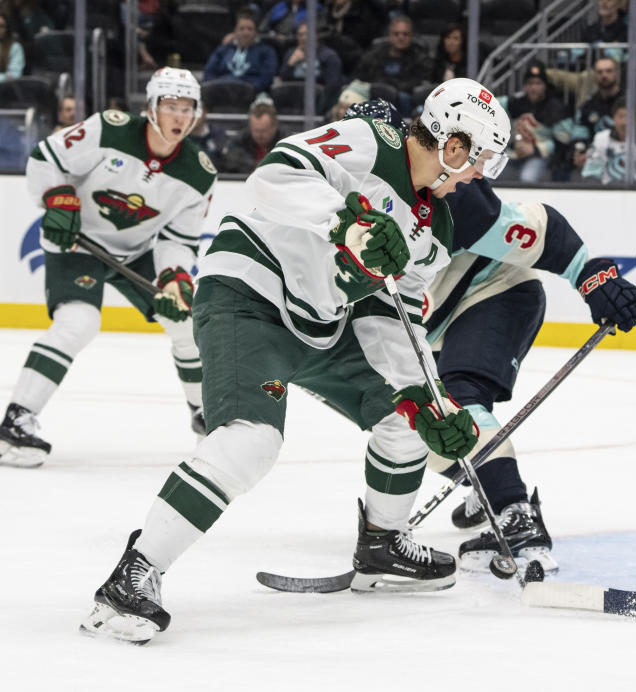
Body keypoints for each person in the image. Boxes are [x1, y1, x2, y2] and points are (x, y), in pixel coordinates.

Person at [80, 78, 512, 644]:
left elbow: (392, 313)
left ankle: (382, 545)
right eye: (480, 160)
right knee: (251, 441)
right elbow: (275, 178)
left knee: (406, 422)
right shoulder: (369, 139)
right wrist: (349, 221)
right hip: (249, 292)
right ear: (454, 145)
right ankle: (132, 577)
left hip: (323, 321)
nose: (480, 174)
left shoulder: (438, 227)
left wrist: (425, 398)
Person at [341, 98, 636, 572]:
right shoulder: (334, 203)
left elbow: (541, 230)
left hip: (495, 292)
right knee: (418, 425)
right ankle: (486, 489)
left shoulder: (460, 200)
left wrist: (595, 278)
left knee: (460, 401)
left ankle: (514, 512)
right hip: (431, 325)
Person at [0, 68, 216, 467]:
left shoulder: (198, 172)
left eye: (188, 108)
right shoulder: (108, 129)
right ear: (150, 107)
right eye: (171, 106)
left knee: (188, 318)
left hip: (135, 249)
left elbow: (178, 241)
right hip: (77, 241)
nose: (180, 117)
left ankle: (206, 416)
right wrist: (58, 197)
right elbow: (45, 159)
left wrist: (176, 277)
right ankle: (16, 419)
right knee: (79, 321)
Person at [502, 61, 568, 184]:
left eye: (538, 83)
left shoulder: (555, 108)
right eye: (530, 83)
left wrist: (536, 149)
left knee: (527, 179)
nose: (533, 87)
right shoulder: (515, 102)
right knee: (489, 175)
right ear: (525, 86)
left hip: (539, 157)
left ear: (545, 85)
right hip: (513, 154)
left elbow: (563, 143)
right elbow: (492, 106)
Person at [354, 15, 431, 116]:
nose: (401, 37)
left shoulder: (420, 56)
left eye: (405, 34)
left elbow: (420, 80)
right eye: (396, 34)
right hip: (376, 96)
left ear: (411, 36)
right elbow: (362, 75)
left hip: (404, 98)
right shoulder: (375, 54)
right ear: (390, 36)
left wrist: (394, 88)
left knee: (403, 97)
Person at [582, 96, 636, 184]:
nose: (624, 122)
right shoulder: (601, 139)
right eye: (620, 116)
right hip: (604, 194)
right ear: (613, 117)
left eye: (629, 117)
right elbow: (590, 175)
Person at [202, 7, 278, 95]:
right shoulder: (223, 50)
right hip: (222, 91)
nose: (245, 33)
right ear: (235, 31)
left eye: (250, 29)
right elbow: (208, 73)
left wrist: (248, 91)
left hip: (252, 93)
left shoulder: (266, 52)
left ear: (256, 32)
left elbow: (266, 78)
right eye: (241, 29)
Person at [220, 101, 282, 174]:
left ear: (274, 127)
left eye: (263, 131)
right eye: (255, 130)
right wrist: (255, 166)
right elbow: (231, 162)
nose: (259, 135)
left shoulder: (287, 142)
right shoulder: (239, 140)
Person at [0, 12, 24, 82]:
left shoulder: (15, 48)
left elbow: (14, 75)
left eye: (1, 26)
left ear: (7, 29)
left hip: (5, 89)